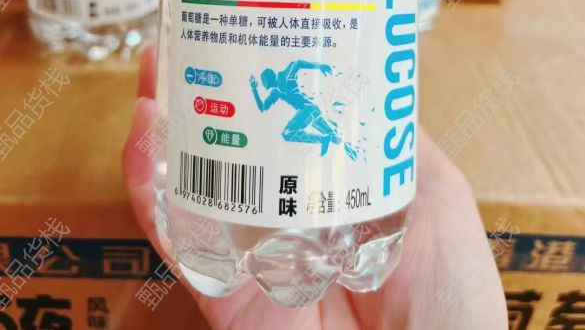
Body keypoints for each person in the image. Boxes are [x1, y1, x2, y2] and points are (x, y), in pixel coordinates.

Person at [123, 46, 509, 329]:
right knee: (316, 134)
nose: (270, 82)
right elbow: (263, 105)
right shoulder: (276, 87)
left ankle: (332, 146)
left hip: (314, 123)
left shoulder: (288, 73)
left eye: (268, 80)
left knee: (329, 134)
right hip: (232, 189)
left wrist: (322, 66)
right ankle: (330, 144)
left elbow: (303, 65)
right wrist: (255, 87)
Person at [249, 60, 357, 159]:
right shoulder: (275, 92)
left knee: (287, 133)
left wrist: (319, 66)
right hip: (313, 111)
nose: (262, 84)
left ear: (268, 78)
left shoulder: (284, 76)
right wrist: (254, 89)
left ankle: (323, 139)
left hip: (308, 109)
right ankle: (353, 152)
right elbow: (262, 108)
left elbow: (298, 63)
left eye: (263, 81)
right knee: (336, 139)